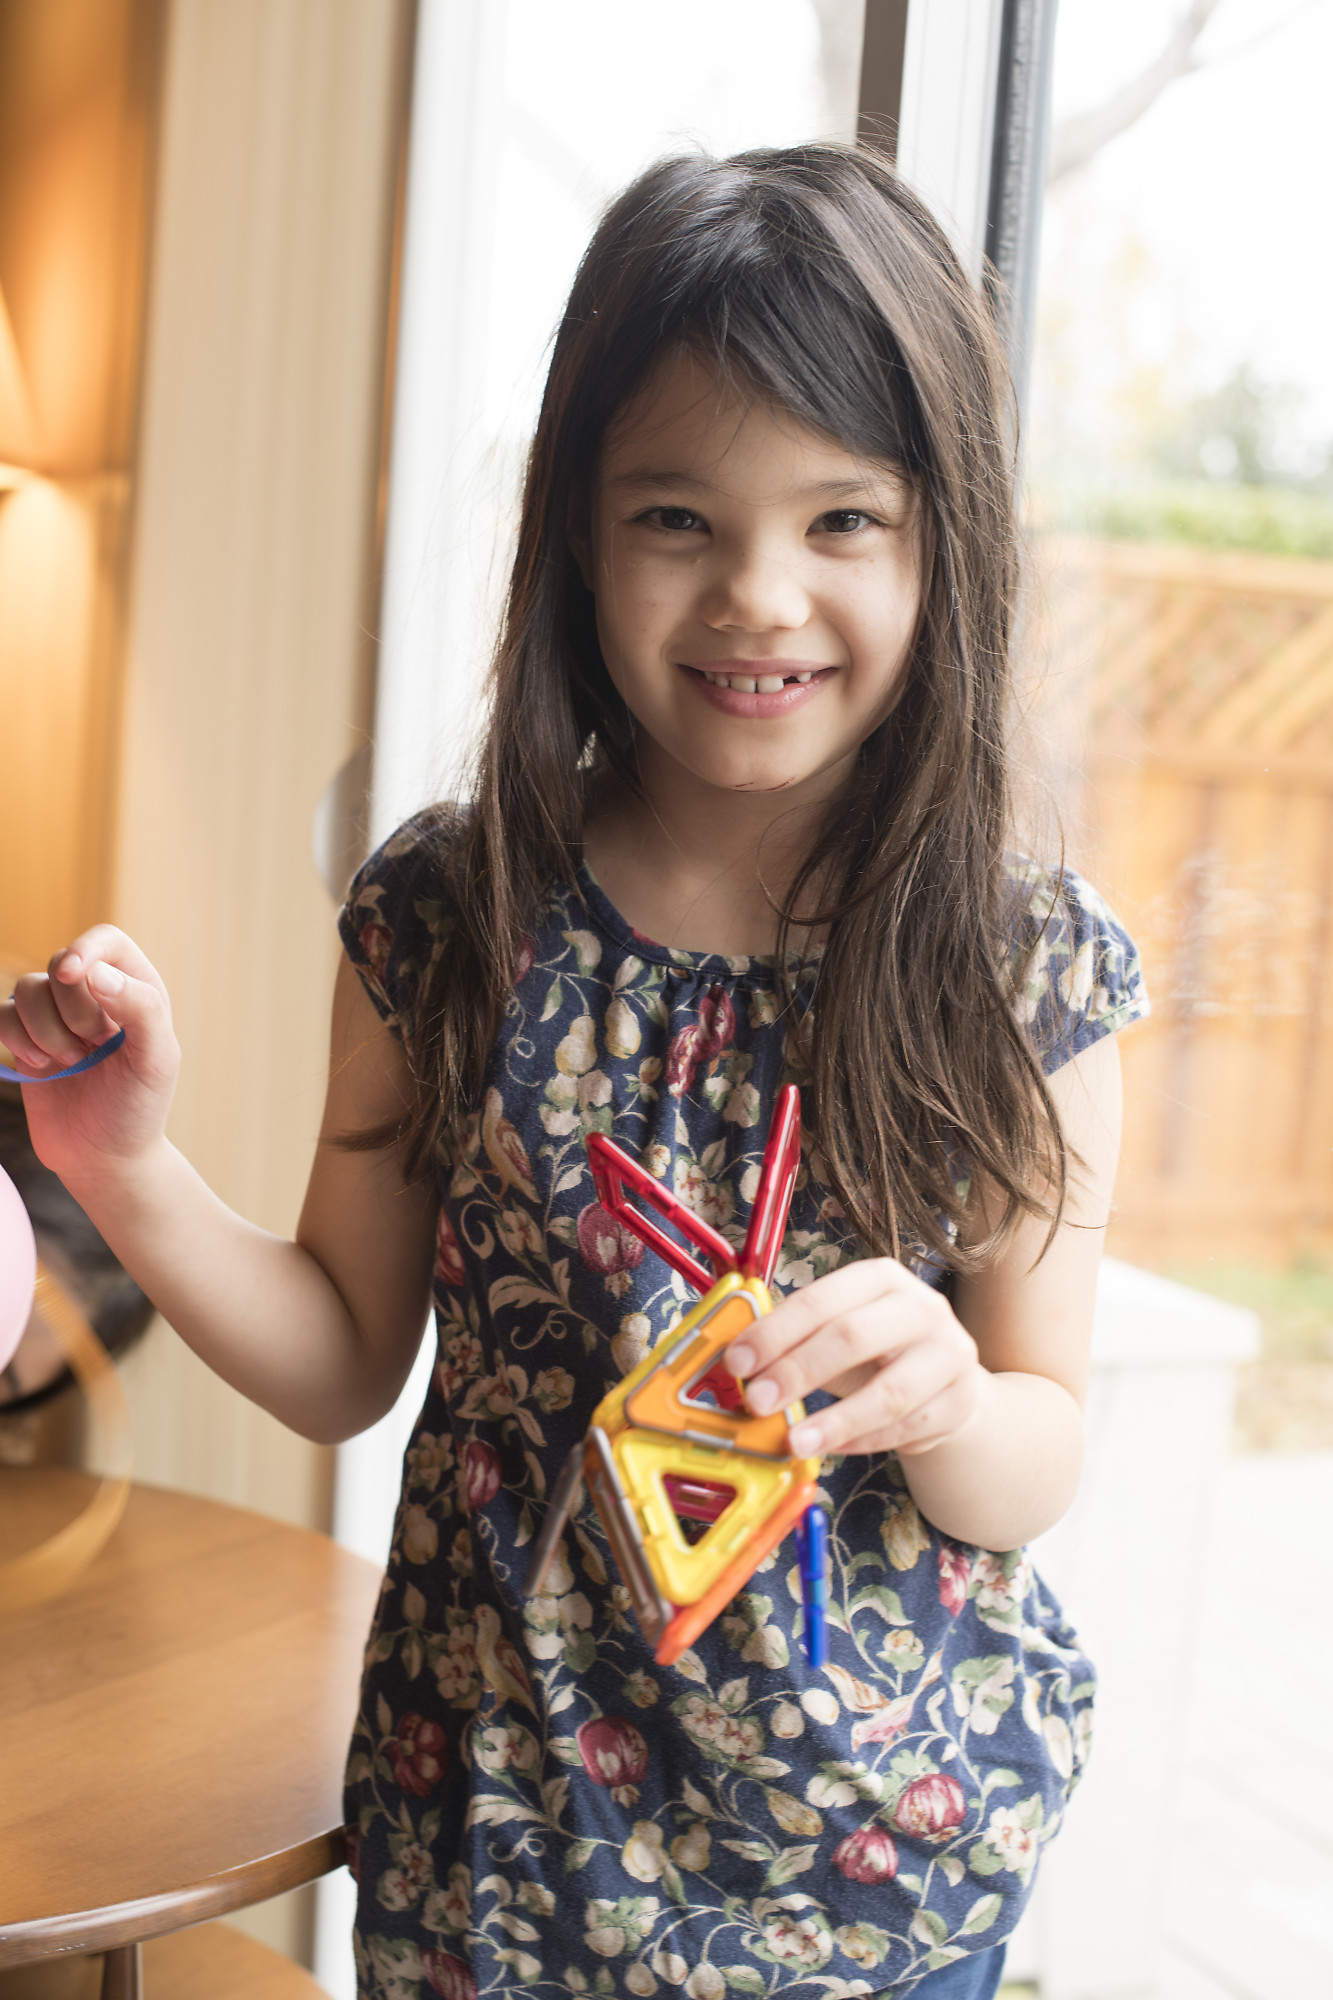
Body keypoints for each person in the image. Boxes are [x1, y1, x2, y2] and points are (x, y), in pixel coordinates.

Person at [0, 146, 1146, 2000]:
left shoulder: (1017, 969)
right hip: (495, 1844)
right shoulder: (452, 912)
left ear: (948, 541)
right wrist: (122, 1165)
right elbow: (341, 1356)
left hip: (872, 1885)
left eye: (842, 521)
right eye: (676, 518)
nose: (757, 594)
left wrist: (949, 1401)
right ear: (576, 537)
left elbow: (1037, 1452)